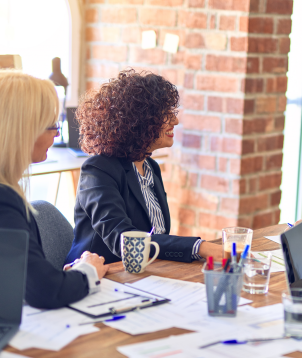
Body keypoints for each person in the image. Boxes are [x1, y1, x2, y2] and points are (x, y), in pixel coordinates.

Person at [0, 69, 109, 310]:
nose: (57, 133)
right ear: (20, 131)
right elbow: (44, 292)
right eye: (51, 125)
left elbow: (25, 277)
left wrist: (64, 277)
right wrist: (87, 271)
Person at [65, 69, 220, 265]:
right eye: (166, 114)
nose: (175, 121)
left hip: (142, 275)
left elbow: (158, 235)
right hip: (98, 277)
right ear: (139, 120)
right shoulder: (98, 170)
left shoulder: (151, 168)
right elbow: (124, 240)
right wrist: (200, 247)